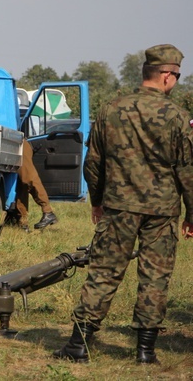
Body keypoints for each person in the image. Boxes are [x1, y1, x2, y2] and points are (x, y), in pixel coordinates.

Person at [53, 44, 193, 364]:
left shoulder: (111, 109)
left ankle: (78, 345)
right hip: (163, 211)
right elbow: (188, 170)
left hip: (119, 207)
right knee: (155, 278)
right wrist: (192, 214)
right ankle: (145, 352)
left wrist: (97, 201)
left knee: (103, 272)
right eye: (178, 76)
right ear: (168, 76)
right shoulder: (178, 117)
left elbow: (94, 162)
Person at [15, 138, 57, 231]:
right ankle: (22, 221)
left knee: (28, 177)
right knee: (21, 184)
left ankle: (48, 212)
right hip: (14, 141)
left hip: (20, 142)